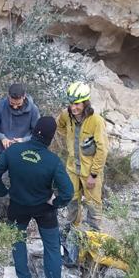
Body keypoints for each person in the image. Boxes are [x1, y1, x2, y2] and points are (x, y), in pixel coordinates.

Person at [0, 117, 74, 278]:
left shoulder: (14, 151)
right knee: (51, 247)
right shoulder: (53, 161)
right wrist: (56, 203)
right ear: (51, 138)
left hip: (18, 206)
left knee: (17, 241)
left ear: (34, 132)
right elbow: (68, 192)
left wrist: (4, 193)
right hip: (44, 209)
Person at [56, 81, 108, 231]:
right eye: (72, 103)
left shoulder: (96, 121)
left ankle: (94, 234)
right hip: (72, 168)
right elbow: (60, 126)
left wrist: (94, 174)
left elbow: (102, 150)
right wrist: (70, 140)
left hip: (90, 171)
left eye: (78, 104)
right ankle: (71, 229)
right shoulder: (66, 115)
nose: (74, 107)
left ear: (86, 103)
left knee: (93, 203)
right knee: (71, 199)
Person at [0, 83, 40, 153]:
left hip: (23, 151)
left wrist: (23, 140)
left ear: (24, 96)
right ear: (8, 96)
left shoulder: (33, 110)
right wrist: (1, 137)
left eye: (18, 104)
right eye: (12, 103)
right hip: (2, 150)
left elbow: (37, 134)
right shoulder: (0, 105)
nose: (15, 107)